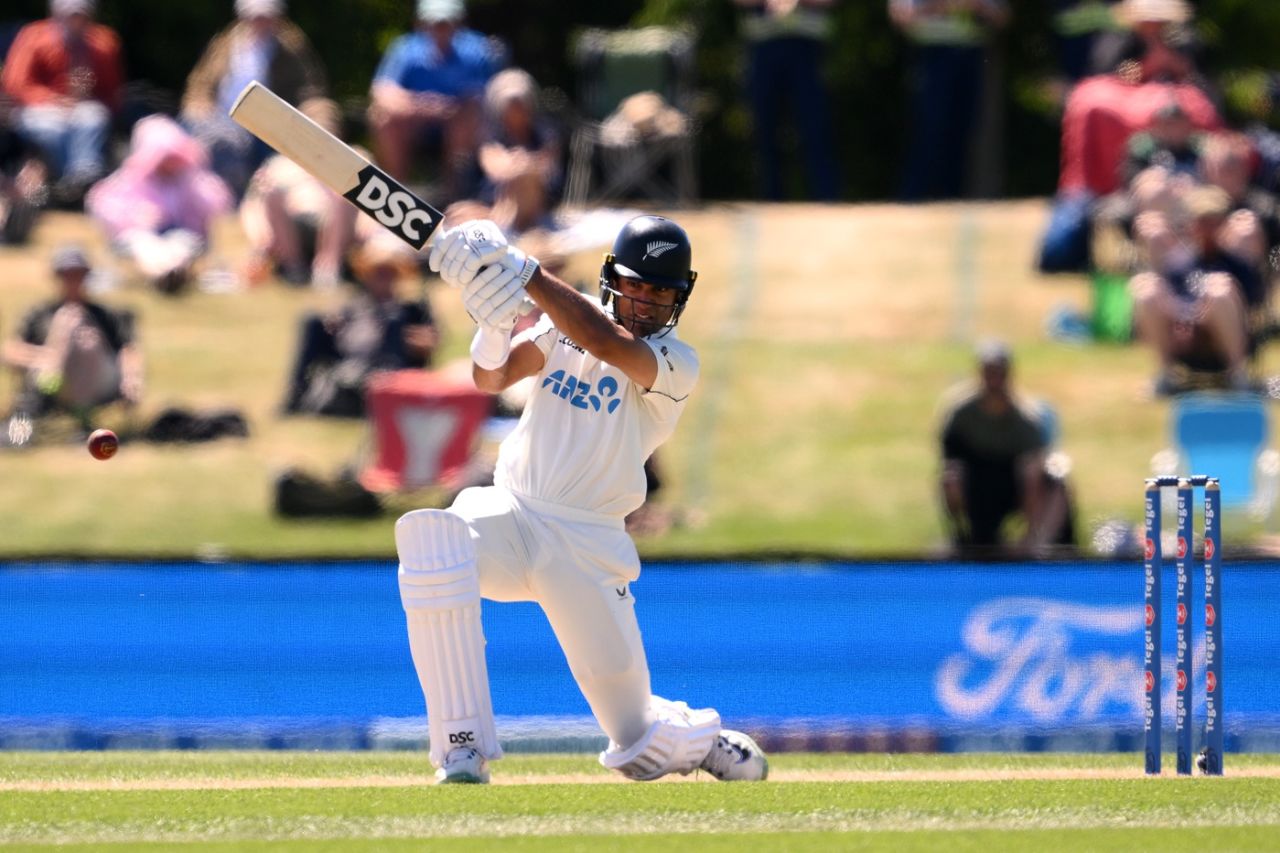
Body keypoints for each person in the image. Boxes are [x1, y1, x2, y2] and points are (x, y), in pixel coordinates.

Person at [394, 215, 768, 784]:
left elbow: (606, 342)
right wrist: (492, 327)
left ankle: (696, 740)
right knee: (434, 543)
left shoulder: (676, 363)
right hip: (512, 515)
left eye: (660, 292)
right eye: (636, 285)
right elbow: (492, 379)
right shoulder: (561, 326)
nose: (645, 302)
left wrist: (522, 270)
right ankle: (461, 747)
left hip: (586, 545)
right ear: (612, 279)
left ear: (679, 299)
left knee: (637, 746)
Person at [939, 342, 1074, 558]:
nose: (994, 379)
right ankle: (964, 541)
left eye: (998, 372)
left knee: (1041, 476)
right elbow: (950, 457)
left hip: (1015, 486)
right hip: (977, 485)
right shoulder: (961, 413)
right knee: (951, 477)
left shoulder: (1027, 417)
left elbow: (1039, 462)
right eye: (989, 372)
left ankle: (1031, 546)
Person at [181, 0, 328, 197]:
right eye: (255, 17)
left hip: (268, 127)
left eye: (266, 17)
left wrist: (316, 118)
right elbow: (201, 83)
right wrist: (198, 106)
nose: (261, 23)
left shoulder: (291, 47)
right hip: (221, 121)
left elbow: (311, 91)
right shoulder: (226, 42)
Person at [281, 233, 438, 417]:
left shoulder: (411, 310)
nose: (383, 277)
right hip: (350, 365)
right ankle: (296, 393)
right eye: (378, 272)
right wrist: (334, 328)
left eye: (388, 272)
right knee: (313, 321)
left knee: (393, 320)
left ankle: (385, 396)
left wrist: (408, 337)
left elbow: (430, 343)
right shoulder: (354, 307)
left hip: (390, 371)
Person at [1129, 185, 1262, 391]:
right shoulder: (1178, 264)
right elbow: (1175, 300)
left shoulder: (1238, 265)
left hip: (1224, 343)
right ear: (1190, 225)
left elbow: (1252, 310)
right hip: (1185, 340)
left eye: (1214, 221)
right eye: (1202, 221)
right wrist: (1188, 318)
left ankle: (1239, 375)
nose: (1207, 229)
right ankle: (1165, 375)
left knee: (1219, 289)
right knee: (1147, 289)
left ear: (1224, 224)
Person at [85, 114, 234, 295]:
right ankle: (162, 276)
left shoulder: (190, 178)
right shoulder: (130, 179)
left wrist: (195, 185)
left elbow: (219, 203)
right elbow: (101, 204)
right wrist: (135, 216)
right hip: (139, 235)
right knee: (144, 245)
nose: (169, 162)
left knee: (181, 244)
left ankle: (172, 273)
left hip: (182, 233)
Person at [2, 244, 142, 433]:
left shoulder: (105, 315)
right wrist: (50, 356)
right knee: (66, 328)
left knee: (81, 335)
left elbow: (127, 349)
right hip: (51, 381)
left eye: (78, 274)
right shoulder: (40, 314)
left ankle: (78, 413)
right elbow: (11, 352)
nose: (73, 281)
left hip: (100, 380)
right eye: (67, 275)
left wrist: (132, 378)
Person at [368, 0, 502, 193]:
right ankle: (395, 188)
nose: (440, 29)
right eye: (434, 23)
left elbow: (487, 96)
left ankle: (453, 191)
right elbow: (382, 93)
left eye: (446, 23)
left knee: (467, 118)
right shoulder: (405, 48)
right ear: (421, 24)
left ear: (458, 23)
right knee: (382, 117)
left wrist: (450, 108)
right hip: (415, 125)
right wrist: (422, 105)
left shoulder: (476, 49)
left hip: (459, 128)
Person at [1, 0, 124, 207]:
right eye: (71, 16)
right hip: (38, 108)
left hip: (83, 107)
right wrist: (54, 100)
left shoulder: (103, 43)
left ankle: (83, 179)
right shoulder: (33, 37)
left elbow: (112, 92)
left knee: (93, 117)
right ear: (57, 15)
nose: (76, 22)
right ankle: (59, 181)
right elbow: (16, 85)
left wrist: (87, 96)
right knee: (51, 127)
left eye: (81, 16)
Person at [889, 0, 1010, 202]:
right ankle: (912, 199)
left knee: (962, 133)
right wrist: (941, 6)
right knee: (927, 131)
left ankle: (951, 199)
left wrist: (976, 6)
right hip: (930, 56)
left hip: (970, 56)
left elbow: (1002, 16)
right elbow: (900, 14)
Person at [239, 97, 360, 287]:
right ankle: (293, 266)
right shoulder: (278, 165)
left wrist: (367, 234)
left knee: (348, 194)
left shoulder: (353, 161)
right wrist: (259, 238)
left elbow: (369, 205)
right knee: (272, 191)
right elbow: (252, 205)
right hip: (289, 230)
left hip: (336, 229)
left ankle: (328, 268)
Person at [734, 0, 839, 201]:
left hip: (807, 51)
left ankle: (826, 198)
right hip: (762, 50)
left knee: (815, 128)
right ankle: (771, 199)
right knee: (764, 130)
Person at [466, 68, 560, 235]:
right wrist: (521, 163)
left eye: (520, 105)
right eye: (511, 106)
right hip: (498, 201)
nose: (517, 112)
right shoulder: (490, 137)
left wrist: (522, 163)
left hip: (538, 202)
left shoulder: (545, 133)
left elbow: (548, 165)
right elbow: (494, 168)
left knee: (526, 178)